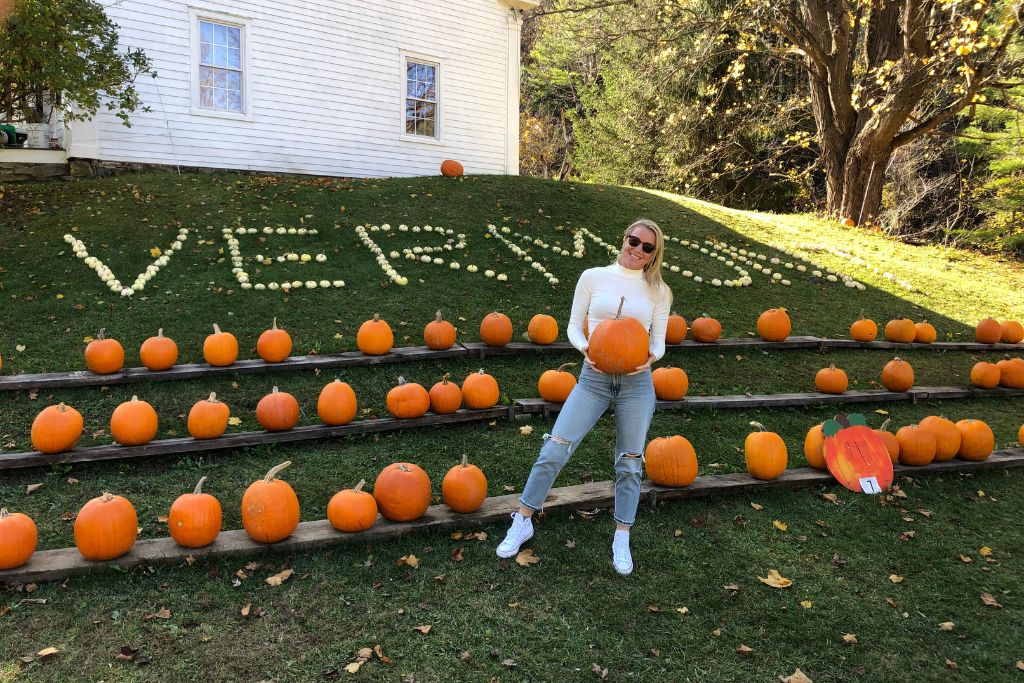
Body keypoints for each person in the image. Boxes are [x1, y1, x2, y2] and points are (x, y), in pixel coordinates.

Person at [496, 218, 672, 575]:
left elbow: (659, 340)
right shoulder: (593, 277)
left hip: (637, 384)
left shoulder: (659, 292)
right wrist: (584, 349)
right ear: (623, 239)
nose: (637, 250)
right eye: (633, 241)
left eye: (647, 247)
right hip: (593, 377)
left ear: (654, 255)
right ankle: (524, 518)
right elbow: (575, 325)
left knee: (630, 461)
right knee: (554, 448)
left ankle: (622, 534)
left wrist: (652, 357)